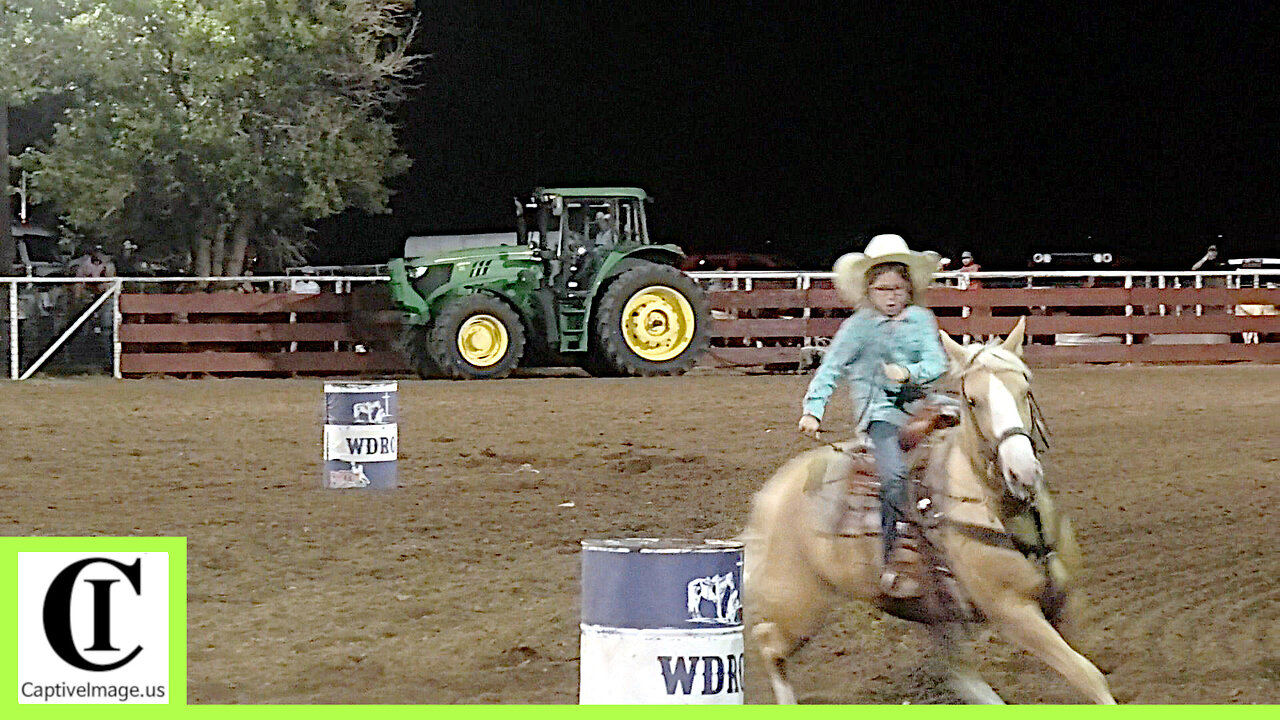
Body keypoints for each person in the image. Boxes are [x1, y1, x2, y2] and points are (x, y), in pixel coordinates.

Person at [797, 234, 949, 597]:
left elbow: (937, 362)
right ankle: (891, 555)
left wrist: (910, 374)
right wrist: (812, 411)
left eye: (897, 288)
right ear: (870, 291)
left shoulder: (921, 320)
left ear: (908, 289)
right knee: (894, 474)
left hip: (925, 406)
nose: (892, 296)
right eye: (883, 290)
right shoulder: (859, 327)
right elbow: (831, 368)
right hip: (882, 415)